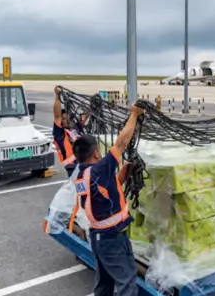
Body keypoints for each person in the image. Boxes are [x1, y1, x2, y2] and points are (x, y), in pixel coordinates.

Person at [71, 102, 144, 296]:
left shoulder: (82, 175)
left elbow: (104, 193)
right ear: (96, 152)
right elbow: (121, 143)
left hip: (98, 237)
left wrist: (123, 173)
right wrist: (134, 115)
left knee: (104, 284)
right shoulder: (99, 169)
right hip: (112, 238)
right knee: (127, 282)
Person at [53, 86, 87, 177]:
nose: (66, 120)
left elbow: (84, 118)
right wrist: (57, 96)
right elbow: (57, 116)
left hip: (82, 164)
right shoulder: (60, 133)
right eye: (63, 119)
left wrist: (92, 106)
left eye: (66, 117)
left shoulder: (74, 129)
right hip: (72, 167)